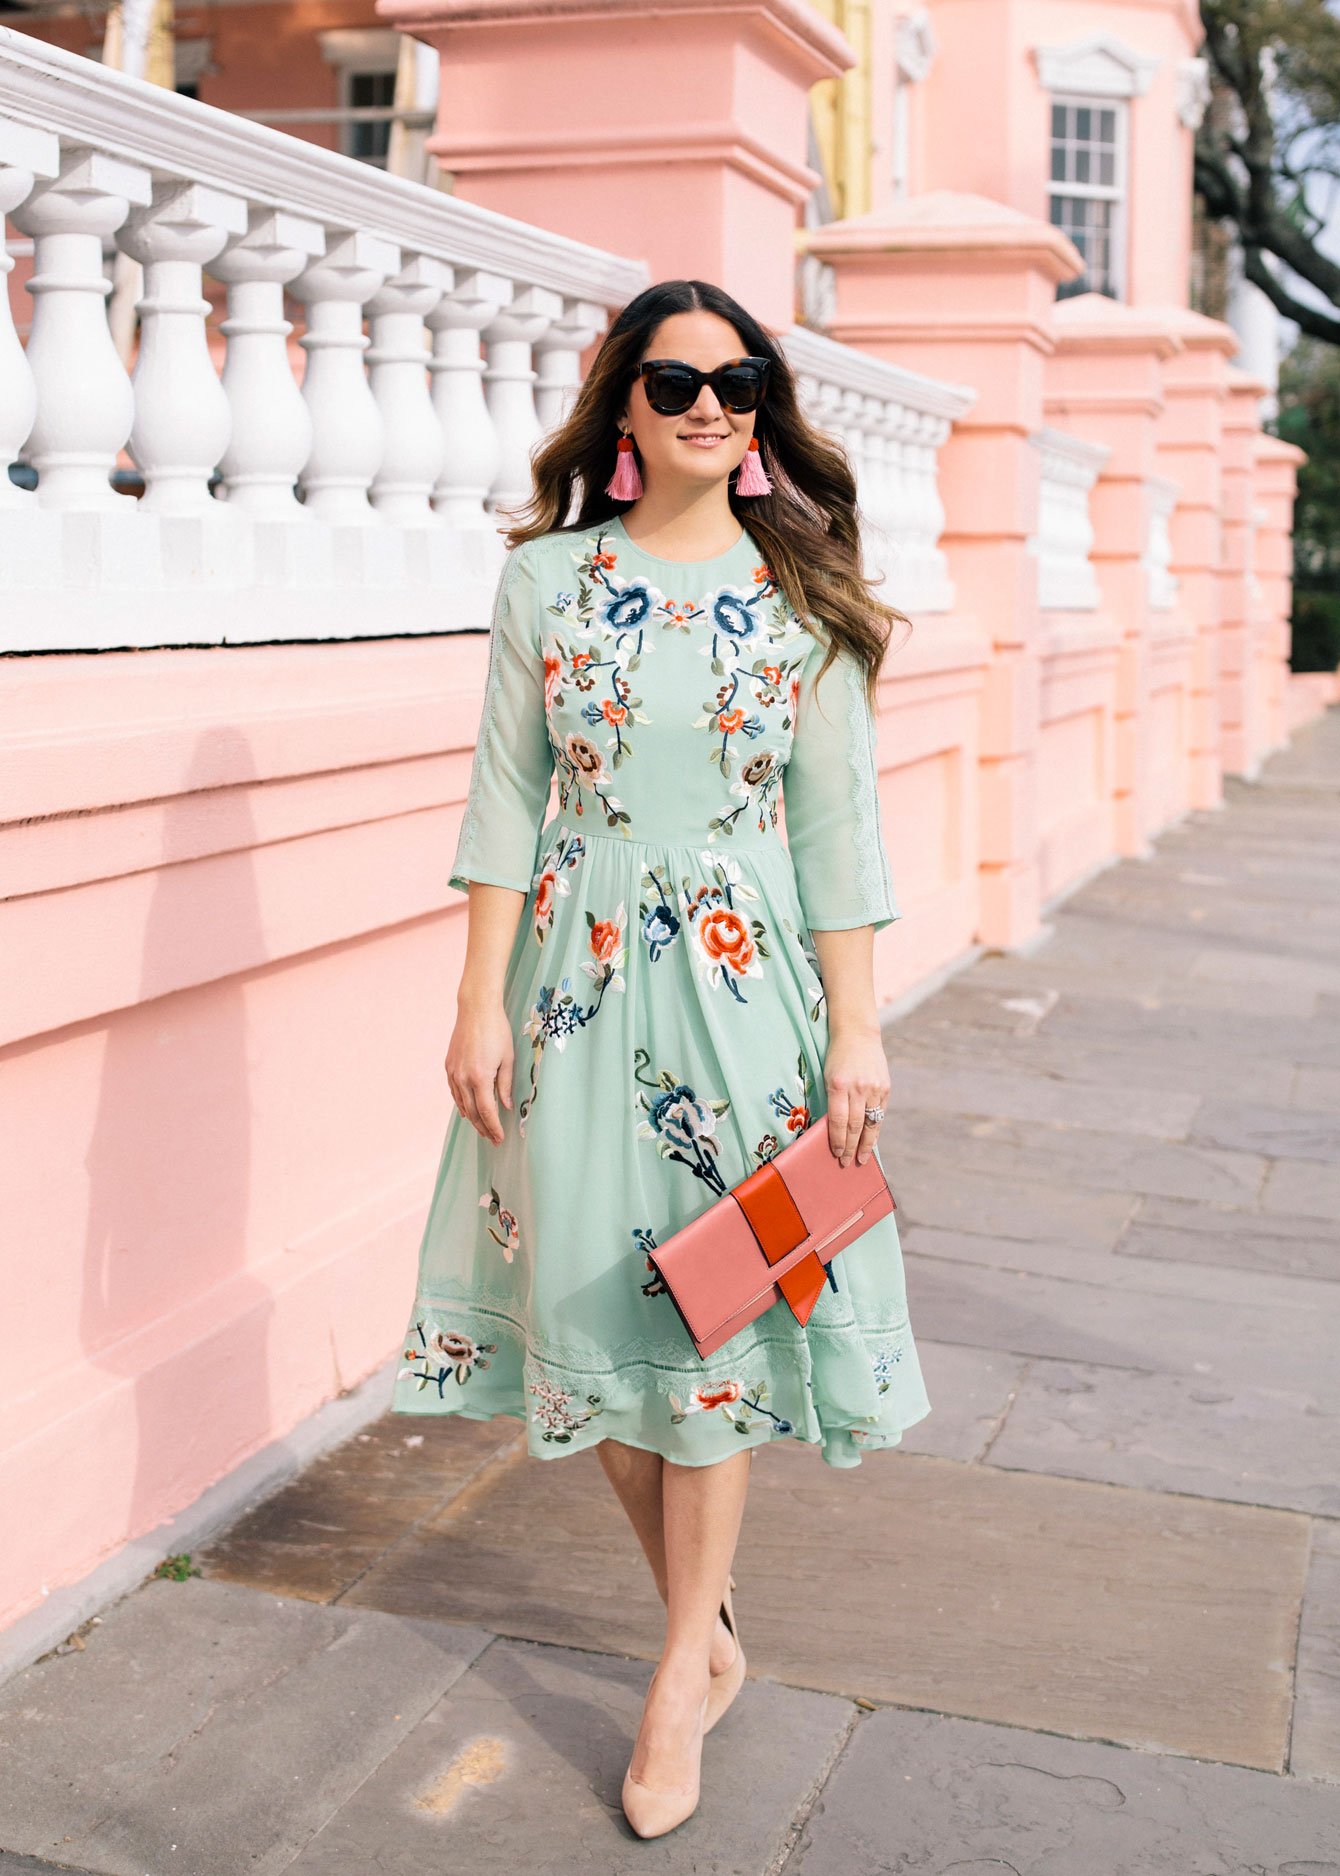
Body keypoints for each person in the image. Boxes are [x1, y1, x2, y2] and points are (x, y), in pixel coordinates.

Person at [391, 279, 931, 1837]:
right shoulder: (547, 586)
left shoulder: (811, 604)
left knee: (715, 1330)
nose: (712, 403)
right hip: (571, 987)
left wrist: (862, 1031)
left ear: (764, 411)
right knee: (588, 1326)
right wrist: (476, 998)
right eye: (678, 380)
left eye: (741, 380)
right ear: (622, 404)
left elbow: (841, 841)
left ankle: (679, 1667)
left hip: (754, 1005)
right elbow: (504, 803)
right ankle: (711, 1626)